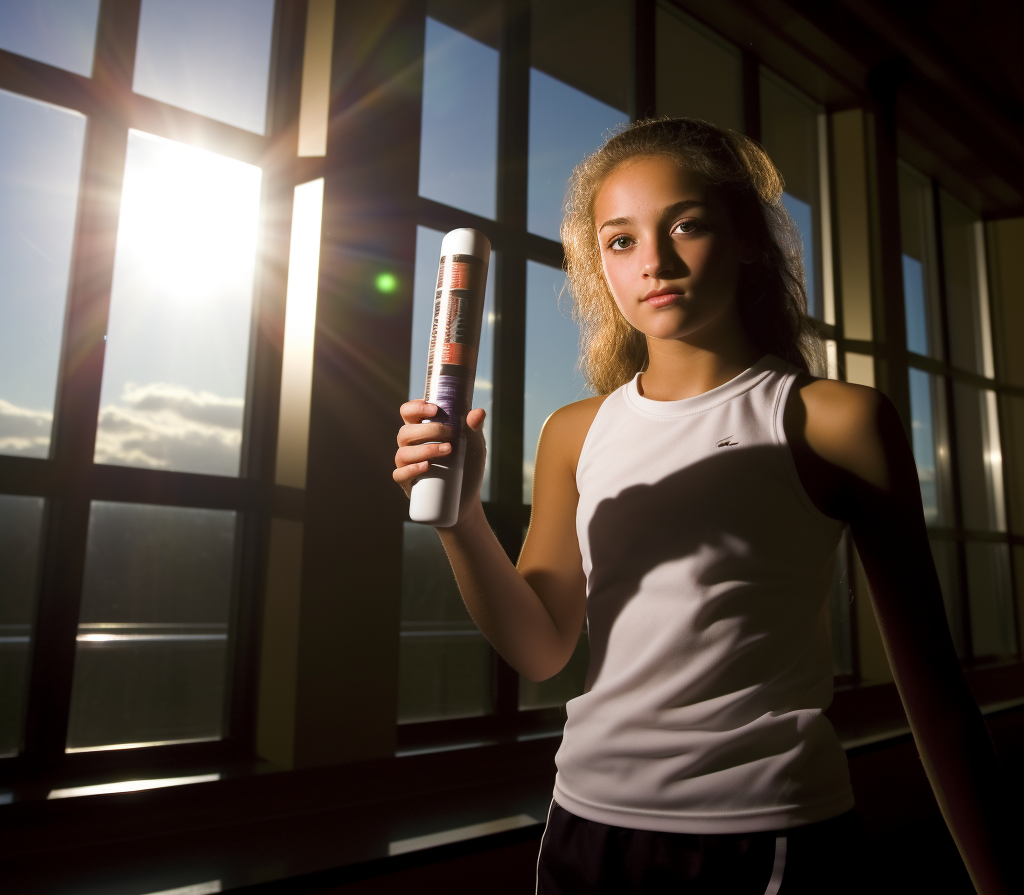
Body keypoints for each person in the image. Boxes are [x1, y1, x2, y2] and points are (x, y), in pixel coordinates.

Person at [393, 118, 1014, 894]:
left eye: (685, 224)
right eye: (620, 241)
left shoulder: (835, 421)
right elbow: (545, 648)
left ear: (748, 237)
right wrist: (462, 522)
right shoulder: (573, 434)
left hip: (767, 840)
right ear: (599, 265)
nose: (653, 261)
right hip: (582, 829)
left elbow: (935, 692)